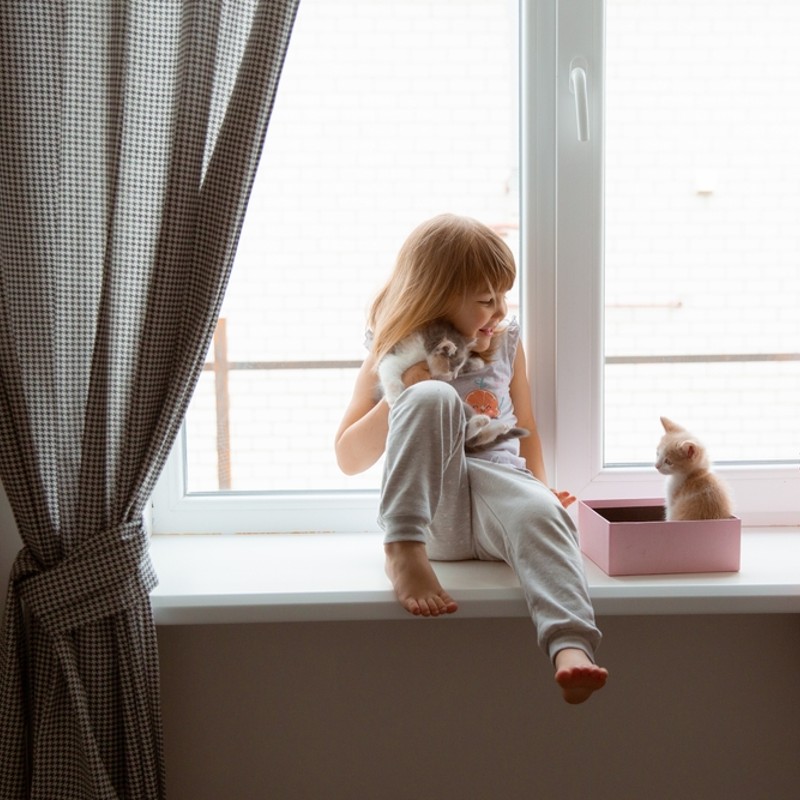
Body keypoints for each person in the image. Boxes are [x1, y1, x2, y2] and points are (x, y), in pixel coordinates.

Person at [334, 214, 608, 704]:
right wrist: (403, 390)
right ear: (436, 295)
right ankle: (401, 549)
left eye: (503, 296)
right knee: (433, 397)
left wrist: (541, 487)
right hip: (431, 514)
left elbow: (527, 429)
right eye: (486, 300)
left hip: (498, 496)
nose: (499, 311)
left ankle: (570, 645)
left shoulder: (505, 343)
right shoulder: (391, 354)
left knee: (543, 514)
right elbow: (349, 458)